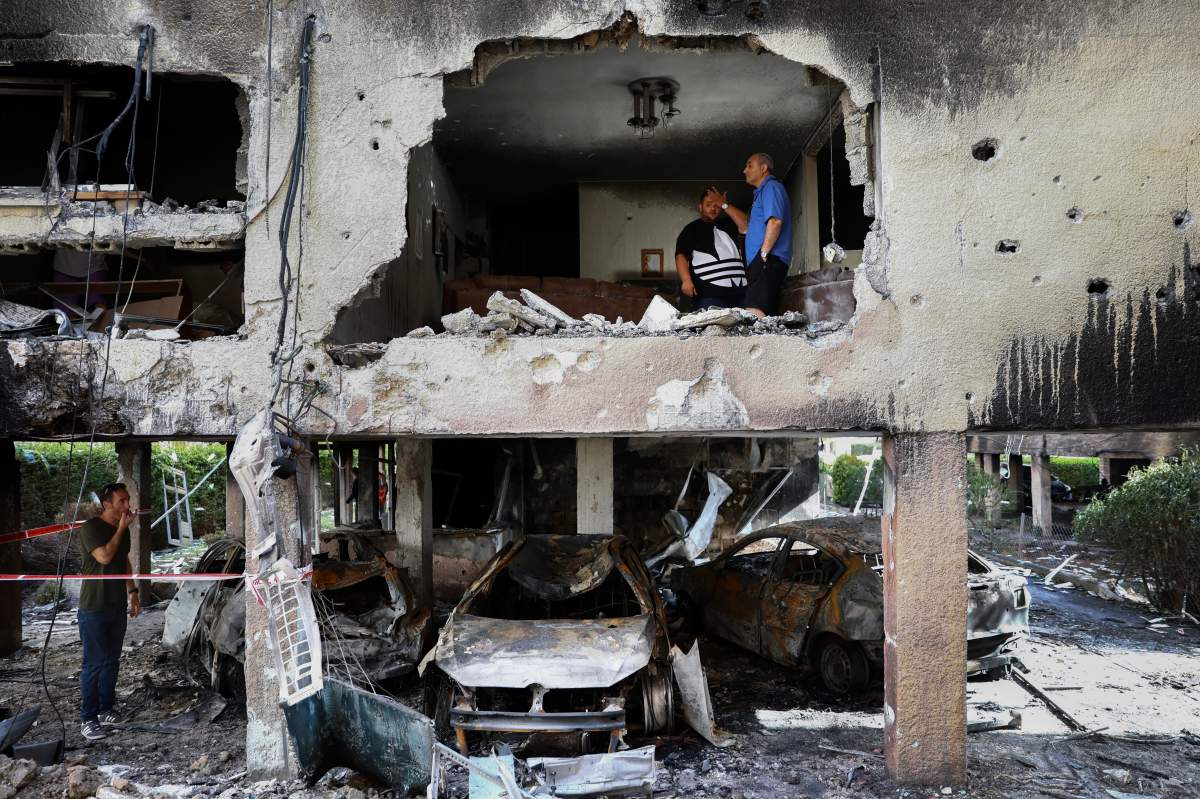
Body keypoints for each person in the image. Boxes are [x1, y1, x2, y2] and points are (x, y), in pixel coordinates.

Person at [78, 482, 140, 741]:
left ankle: (106, 709)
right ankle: (88, 719)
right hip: (94, 607)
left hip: (116, 606)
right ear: (107, 504)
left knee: (112, 661)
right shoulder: (91, 527)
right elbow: (104, 556)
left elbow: (122, 559)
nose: (127, 506)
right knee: (94, 662)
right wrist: (122, 529)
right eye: (122, 501)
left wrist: (133, 591)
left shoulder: (121, 530)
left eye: (128, 500)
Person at [706, 152, 793, 317]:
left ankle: (756, 344)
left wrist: (764, 254)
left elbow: (775, 222)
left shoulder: (771, 187)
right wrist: (723, 205)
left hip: (768, 259)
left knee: (754, 311)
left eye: (749, 165)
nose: (744, 170)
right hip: (762, 261)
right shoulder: (761, 193)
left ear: (764, 168)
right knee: (762, 312)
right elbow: (745, 226)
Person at [674, 189, 747, 309]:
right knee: (713, 327)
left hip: (740, 292)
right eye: (708, 205)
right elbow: (681, 256)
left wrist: (725, 204)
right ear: (700, 207)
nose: (713, 208)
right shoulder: (691, 229)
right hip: (708, 295)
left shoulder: (730, 224)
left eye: (717, 205)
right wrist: (686, 280)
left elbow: (746, 225)